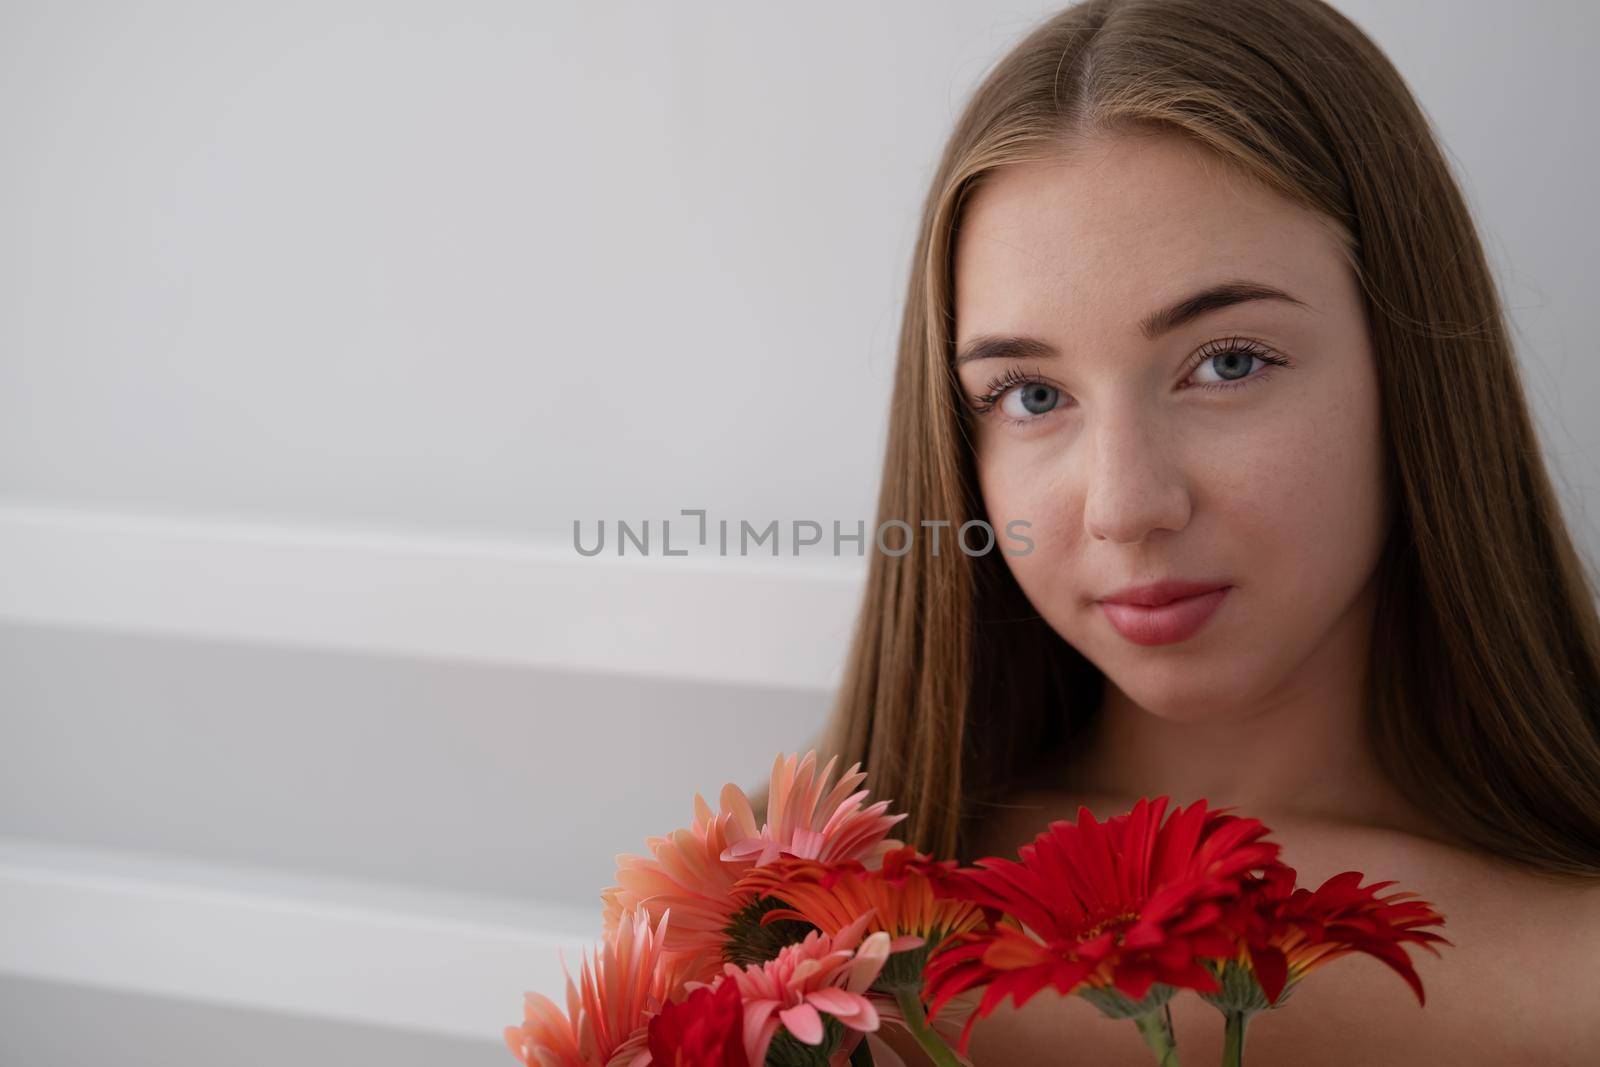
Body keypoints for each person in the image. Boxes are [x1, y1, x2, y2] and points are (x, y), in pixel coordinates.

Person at [753, 0, 1600, 1061]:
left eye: (1229, 362)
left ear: (1413, 372)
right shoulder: (781, 943)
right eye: (1027, 394)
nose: (1123, 504)